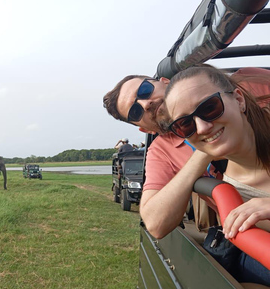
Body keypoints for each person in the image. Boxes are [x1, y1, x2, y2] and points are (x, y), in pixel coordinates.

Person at [103, 66, 270, 239]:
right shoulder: (162, 151)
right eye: (135, 111)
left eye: (145, 90)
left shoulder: (248, 83)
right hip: (251, 234)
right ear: (145, 130)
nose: (146, 104)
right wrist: (206, 145)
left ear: (165, 82)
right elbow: (155, 223)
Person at [164, 65, 270, 285]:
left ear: (239, 100)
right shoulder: (233, 191)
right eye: (185, 124)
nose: (202, 127)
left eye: (210, 107)